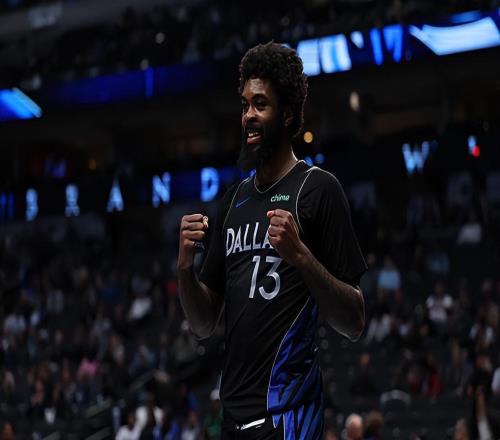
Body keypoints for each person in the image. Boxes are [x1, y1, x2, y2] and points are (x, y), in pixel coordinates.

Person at [177, 42, 367, 439]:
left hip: (290, 418)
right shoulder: (234, 200)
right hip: (233, 421)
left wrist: (301, 257)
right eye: (245, 104)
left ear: (288, 114)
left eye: (260, 104)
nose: (248, 115)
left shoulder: (318, 189)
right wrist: (184, 270)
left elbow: (354, 321)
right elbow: (203, 324)